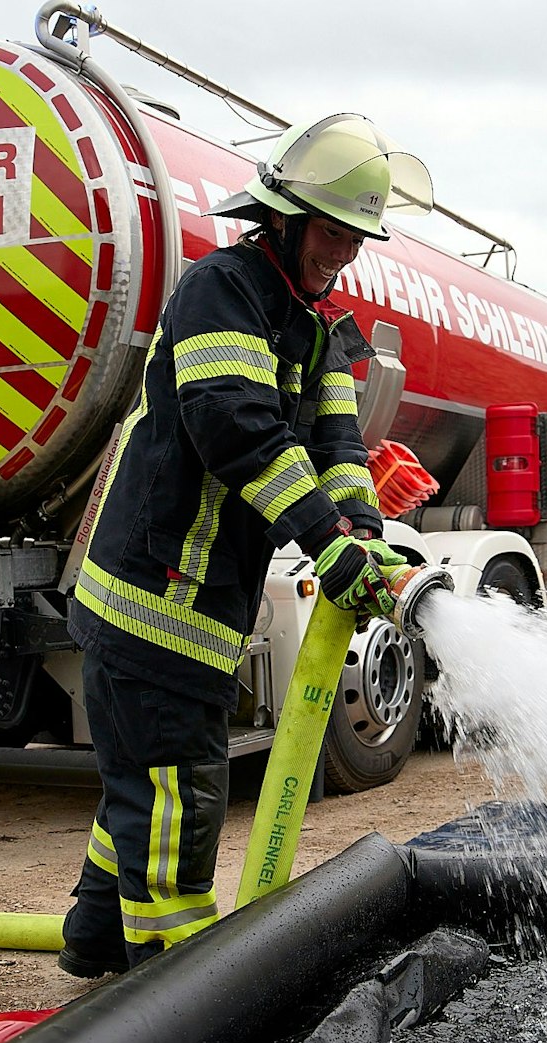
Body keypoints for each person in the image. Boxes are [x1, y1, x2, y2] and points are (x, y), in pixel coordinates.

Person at [58, 114, 434, 978]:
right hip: (152, 598)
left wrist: (361, 537)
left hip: (197, 607)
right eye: (332, 233)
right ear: (287, 217)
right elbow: (237, 428)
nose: (342, 252)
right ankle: (169, 990)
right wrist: (319, 540)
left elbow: (340, 449)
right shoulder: (218, 291)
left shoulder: (319, 326)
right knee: (177, 798)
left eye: (355, 239)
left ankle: (94, 940)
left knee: (145, 791)